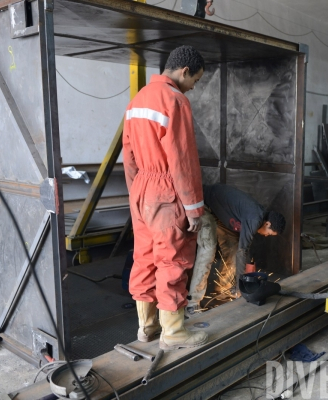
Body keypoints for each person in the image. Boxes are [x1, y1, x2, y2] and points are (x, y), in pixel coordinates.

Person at [123, 45, 208, 350]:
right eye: (195, 80)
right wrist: (194, 208)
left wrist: (137, 195)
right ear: (184, 72)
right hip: (167, 190)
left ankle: (147, 327)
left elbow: (129, 155)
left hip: (142, 189)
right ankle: (173, 332)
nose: (194, 87)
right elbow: (182, 159)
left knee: (145, 258)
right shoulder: (175, 100)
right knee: (173, 258)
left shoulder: (137, 101)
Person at [186, 183, 286, 314]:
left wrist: (246, 274)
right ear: (267, 223)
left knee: (232, 249)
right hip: (205, 204)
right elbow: (243, 251)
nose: (266, 236)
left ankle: (223, 290)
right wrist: (242, 286)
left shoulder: (257, 219)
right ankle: (192, 303)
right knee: (208, 251)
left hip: (221, 214)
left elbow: (243, 250)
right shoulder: (255, 218)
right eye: (269, 233)